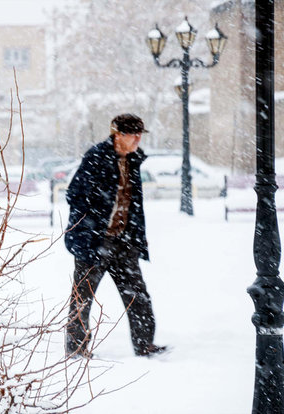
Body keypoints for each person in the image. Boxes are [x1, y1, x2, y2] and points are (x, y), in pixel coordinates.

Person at [64, 113, 166, 358]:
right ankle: (76, 348)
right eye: (133, 134)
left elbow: (132, 202)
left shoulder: (133, 160)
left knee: (137, 296)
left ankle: (144, 344)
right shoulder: (96, 157)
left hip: (123, 243)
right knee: (83, 297)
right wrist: (90, 225)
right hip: (94, 243)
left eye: (140, 135)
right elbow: (74, 193)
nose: (138, 139)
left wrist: (137, 236)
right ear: (118, 134)